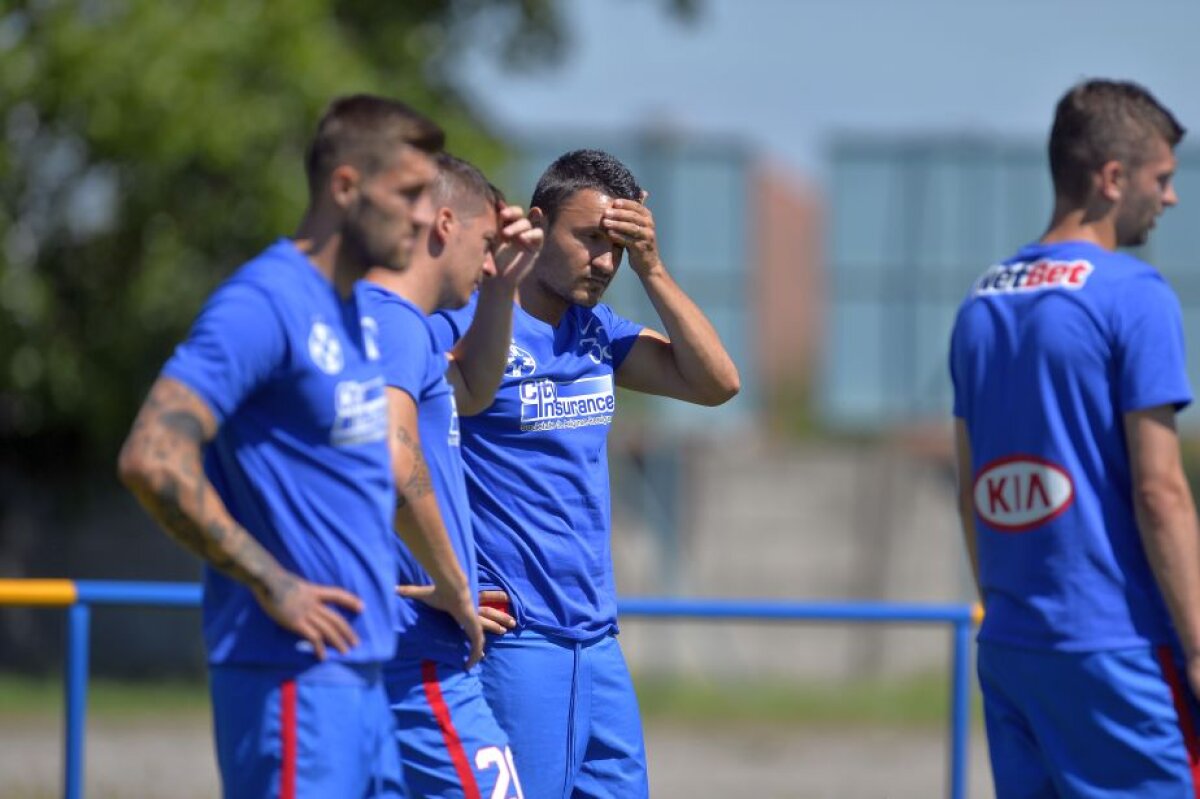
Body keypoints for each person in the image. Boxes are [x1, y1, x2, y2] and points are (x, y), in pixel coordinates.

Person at [116, 94, 445, 798]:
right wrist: (272, 580)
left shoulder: (355, 310)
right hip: (292, 673)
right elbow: (152, 455)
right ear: (346, 186)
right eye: (410, 192)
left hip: (362, 673)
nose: (425, 214)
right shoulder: (263, 301)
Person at [430, 148, 740, 798]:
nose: (604, 261)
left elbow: (718, 383)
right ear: (538, 226)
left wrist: (653, 269)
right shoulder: (471, 324)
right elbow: (401, 452)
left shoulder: (597, 332)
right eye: (588, 238)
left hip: (596, 637)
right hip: (519, 637)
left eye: (618, 246)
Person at [949, 79, 1200, 798]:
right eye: (1163, 178)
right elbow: (1160, 489)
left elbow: (973, 492)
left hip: (1012, 646)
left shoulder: (980, 300)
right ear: (1113, 179)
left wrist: (1002, 611)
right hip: (1117, 648)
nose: (1172, 198)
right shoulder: (1134, 293)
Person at [363, 153, 542, 798]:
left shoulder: (399, 325)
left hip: (397, 644)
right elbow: (389, 454)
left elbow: (471, 388)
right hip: (417, 653)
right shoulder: (391, 320)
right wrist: (453, 583)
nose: (492, 263)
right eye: (487, 246)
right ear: (443, 224)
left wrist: (500, 292)